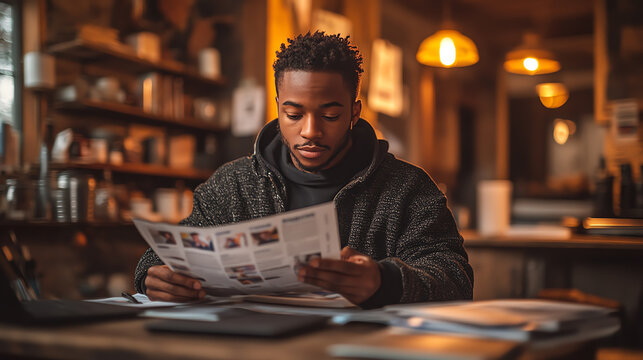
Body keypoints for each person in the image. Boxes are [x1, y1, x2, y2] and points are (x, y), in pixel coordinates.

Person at [135, 31, 473, 307]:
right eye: (294, 114)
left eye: (329, 115)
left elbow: (454, 278)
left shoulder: (407, 188)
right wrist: (155, 274)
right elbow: (168, 254)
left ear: (354, 113)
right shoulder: (233, 184)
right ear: (279, 108)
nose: (310, 131)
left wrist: (385, 281)